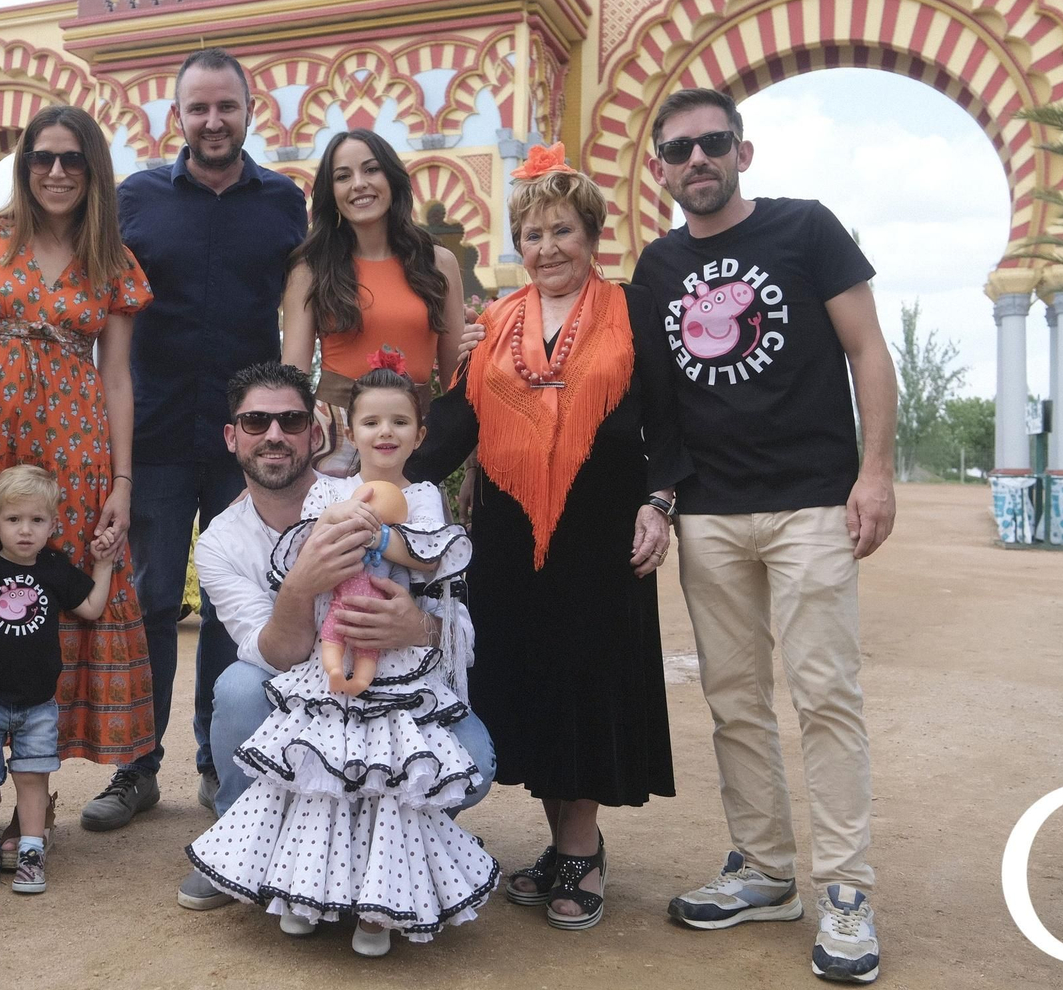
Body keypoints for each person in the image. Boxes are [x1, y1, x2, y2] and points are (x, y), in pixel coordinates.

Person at [634, 87, 897, 984]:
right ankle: (764, 867)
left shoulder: (805, 228)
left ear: (742, 152)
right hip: (710, 511)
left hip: (811, 502)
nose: (697, 160)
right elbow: (655, 398)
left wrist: (875, 471)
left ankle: (847, 890)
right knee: (735, 697)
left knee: (825, 692)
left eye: (712, 142)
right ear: (661, 170)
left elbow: (868, 348)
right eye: (679, 150)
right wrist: (662, 497)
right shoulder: (659, 266)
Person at [407, 147, 689, 933]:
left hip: (601, 531)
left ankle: (580, 846)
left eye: (562, 230)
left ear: (591, 234)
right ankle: (561, 840)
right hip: (509, 532)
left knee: (588, 677)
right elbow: (456, 424)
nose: (547, 247)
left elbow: (668, 421)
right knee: (531, 678)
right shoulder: (497, 322)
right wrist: (381, 473)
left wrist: (660, 501)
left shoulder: (631, 310)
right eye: (532, 234)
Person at [0, 103, 156, 854]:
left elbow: (117, 378)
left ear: (93, 170)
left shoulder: (112, 261)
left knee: (46, 606)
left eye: (72, 159)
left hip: (72, 459)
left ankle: (29, 798)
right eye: (42, 156)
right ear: (24, 164)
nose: (55, 171)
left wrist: (121, 482)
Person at [186, 360, 493, 957]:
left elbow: (454, 607)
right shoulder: (226, 537)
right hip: (308, 679)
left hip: (397, 674)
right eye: (256, 422)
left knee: (459, 765)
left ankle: (382, 877)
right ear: (232, 435)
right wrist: (303, 584)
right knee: (242, 690)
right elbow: (273, 651)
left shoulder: (400, 497)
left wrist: (416, 624)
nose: (274, 435)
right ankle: (243, 845)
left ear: (318, 431)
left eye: (290, 420)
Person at [100, 48, 309, 830]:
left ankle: (224, 763)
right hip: (154, 429)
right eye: (199, 108)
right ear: (177, 116)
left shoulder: (284, 202)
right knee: (149, 599)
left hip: (246, 439)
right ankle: (136, 766)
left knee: (234, 604)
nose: (213, 121)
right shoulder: (137, 199)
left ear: (250, 112)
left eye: (227, 107)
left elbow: (307, 303)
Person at [0, 465, 117, 895]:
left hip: (38, 702)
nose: (25, 530)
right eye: (14, 519)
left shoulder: (55, 569)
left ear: (52, 525)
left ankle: (32, 851)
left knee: (34, 775)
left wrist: (104, 563)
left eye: (36, 520)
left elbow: (91, 608)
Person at [281, 128, 464, 476]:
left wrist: (473, 466)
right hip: (335, 434)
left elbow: (458, 381)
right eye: (343, 176)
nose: (359, 184)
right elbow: (293, 375)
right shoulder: (310, 269)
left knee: (412, 514)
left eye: (371, 169)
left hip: (413, 436)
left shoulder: (438, 263)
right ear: (331, 193)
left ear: (392, 178)